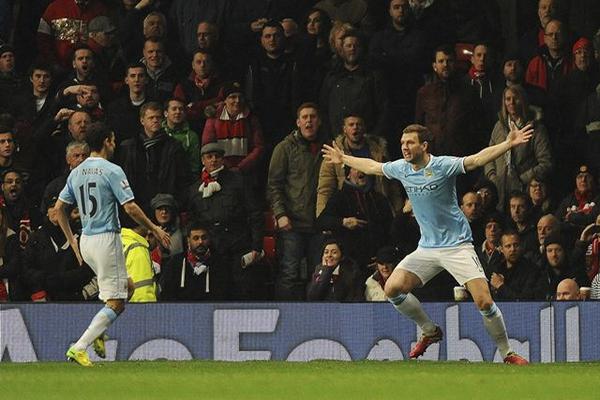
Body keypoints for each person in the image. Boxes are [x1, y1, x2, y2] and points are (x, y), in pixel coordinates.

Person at [322, 122, 533, 364]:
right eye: (402, 143)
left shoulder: (442, 165)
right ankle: (429, 330)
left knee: (484, 301)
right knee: (392, 288)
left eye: (410, 142)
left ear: (424, 145)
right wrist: (343, 158)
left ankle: (507, 353)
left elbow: (475, 160)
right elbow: (373, 167)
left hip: (457, 246)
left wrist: (508, 143)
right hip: (428, 248)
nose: (404, 147)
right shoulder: (402, 168)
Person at [54, 121, 170, 367]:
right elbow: (130, 207)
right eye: (113, 140)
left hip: (86, 241)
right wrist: (155, 228)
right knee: (117, 302)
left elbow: (58, 209)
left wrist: (72, 243)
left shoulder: (76, 171)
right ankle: (79, 347)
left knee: (127, 287)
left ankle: (99, 333)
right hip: (106, 240)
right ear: (107, 141)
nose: (115, 144)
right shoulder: (112, 170)